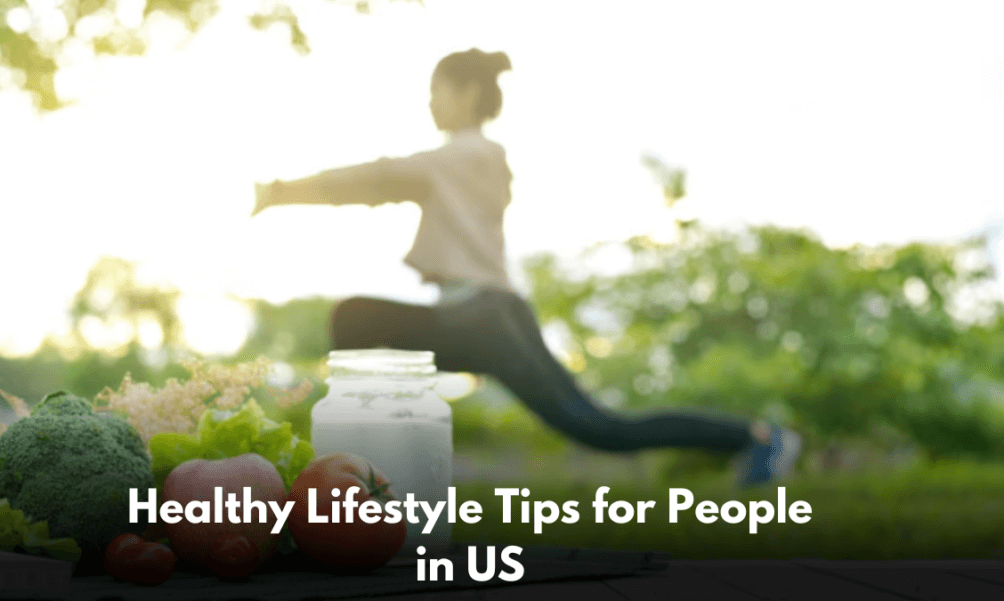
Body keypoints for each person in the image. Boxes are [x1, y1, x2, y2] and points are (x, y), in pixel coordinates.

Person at [252, 48, 800, 487]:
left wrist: (281, 191)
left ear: (466, 94)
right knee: (603, 427)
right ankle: (751, 437)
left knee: (355, 319)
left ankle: (756, 436)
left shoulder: (469, 156)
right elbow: (382, 183)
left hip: (482, 319)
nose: (429, 103)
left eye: (435, 91)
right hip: (484, 317)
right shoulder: (467, 162)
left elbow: (373, 178)